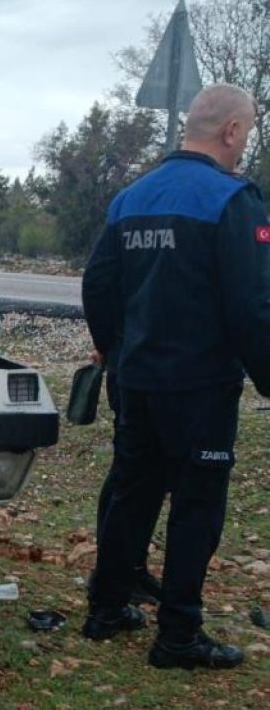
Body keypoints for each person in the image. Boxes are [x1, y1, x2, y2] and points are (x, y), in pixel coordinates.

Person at [81, 83, 269, 670]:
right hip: (201, 386)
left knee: (132, 492)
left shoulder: (131, 198)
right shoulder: (232, 200)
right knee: (196, 506)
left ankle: (106, 610)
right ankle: (179, 637)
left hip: (136, 380)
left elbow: (98, 286)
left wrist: (114, 351)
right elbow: (253, 305)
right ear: (231, 131)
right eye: (249, 131)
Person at [90, 353, 164, 606]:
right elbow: (99, 312)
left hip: (141, 364)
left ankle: (131, 568)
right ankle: (114, 575)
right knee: (130, 475)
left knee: (151, 476)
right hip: (133, 365)